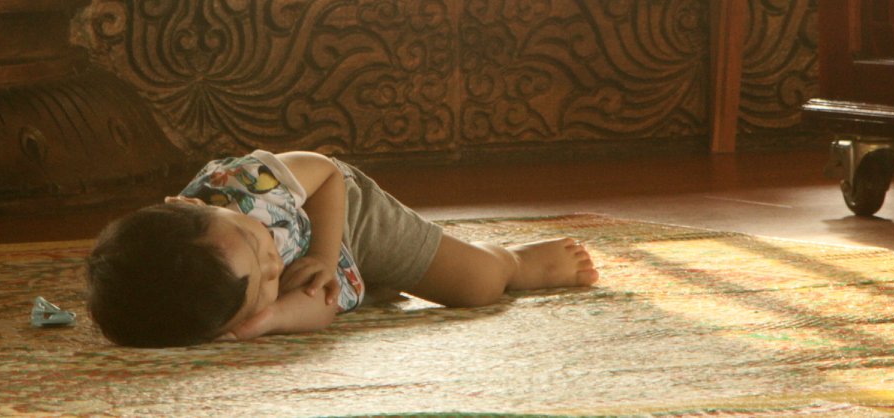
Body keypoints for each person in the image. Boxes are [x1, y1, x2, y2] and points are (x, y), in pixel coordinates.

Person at [84, 149, 598, 347]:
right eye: (266, 283)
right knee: (372, 292)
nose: (272, 262)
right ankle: (375, 285)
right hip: (344, 281)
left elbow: (326, 171)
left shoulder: (246, 186)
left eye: (253, 239)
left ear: (191, 204)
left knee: (478, 286)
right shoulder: (213, 301)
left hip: (345, 219)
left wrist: (325, 257)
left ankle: (513, 259)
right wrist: (265, 319)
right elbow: (320, 307)